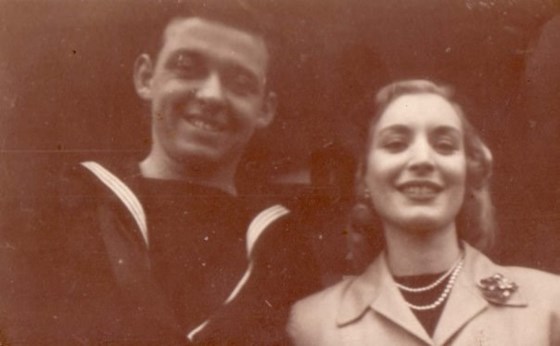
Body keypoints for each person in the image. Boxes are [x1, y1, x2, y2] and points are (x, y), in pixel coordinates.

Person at [0, 1, 320, 344]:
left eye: (240, 83)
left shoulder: (285, 251)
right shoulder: (66, 212)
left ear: (265, 109)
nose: (212, 95)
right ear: (145, 78)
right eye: (187, 68)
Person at [287, 79, 560, 345]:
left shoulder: (549, 304)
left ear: (467, 176)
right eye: (395, 144)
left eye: (444, 146)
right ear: (365, 177)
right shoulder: (312, 324)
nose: (422, 160)